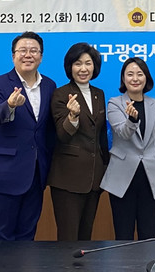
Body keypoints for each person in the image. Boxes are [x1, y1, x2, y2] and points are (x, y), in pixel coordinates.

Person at [0, 31, 56, 241]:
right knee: (3, 235)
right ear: (13, 55)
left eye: (34, 51)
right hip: (6, 173)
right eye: (23, 50)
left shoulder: (49, 85)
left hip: (36, 173)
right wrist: (9, 105)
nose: (28, 55)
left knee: (27, 235)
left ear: (41, 56)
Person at [100, 57, 155, 240]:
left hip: (150, 178)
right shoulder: (114, 103)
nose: (135, 78)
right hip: (122, 178)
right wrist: (132, 120)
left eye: (140, 74)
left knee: (149, 234)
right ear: (123, 79)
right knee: (124, 234)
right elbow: (123, 132)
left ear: (147, 78)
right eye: (130, 74)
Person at [48, 43, 109, 240]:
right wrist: (72, 116)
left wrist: (105, 167)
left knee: (85, 238)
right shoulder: (60, 93)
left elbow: (100, 136)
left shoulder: (99, 94)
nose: (83, 69)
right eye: (78, 63)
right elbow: (62, 135)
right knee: (68, 238)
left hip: (94, 178)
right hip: (68, 178)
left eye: (88, 63)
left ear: (95, 66)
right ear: (70, 67)